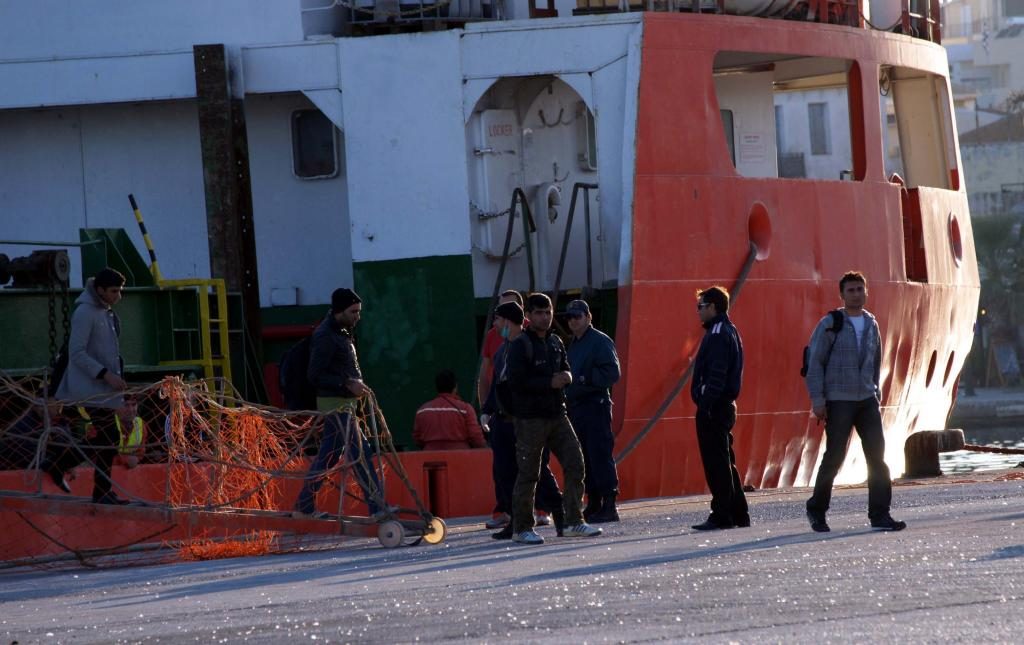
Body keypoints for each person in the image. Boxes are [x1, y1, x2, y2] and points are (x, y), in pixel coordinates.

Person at [804, 271, 906, 532]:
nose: (856, 294)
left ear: (866, 292)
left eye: (860, 289)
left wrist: (876, 394)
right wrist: (818, 400)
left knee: (878, 458)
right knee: (834, 457)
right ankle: (817, 510)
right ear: (842, 294)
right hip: (839, 400)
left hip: (866, 399)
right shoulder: (831, 323)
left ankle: (880, 514)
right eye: (851, 290)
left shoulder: (872, 323)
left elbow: (876, 361)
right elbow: (815, 363)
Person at [503, 292, 602, 545]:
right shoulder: (520, 346)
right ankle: (522, 527)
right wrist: (549, 382)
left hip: (558, 415)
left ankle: (573, 521)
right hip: (530, 419)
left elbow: (565, 366)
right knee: (529, 473)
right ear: (528, 316)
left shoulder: (556, 342)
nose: (545, 317)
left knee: (576, 463)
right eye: (539, 313)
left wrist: (567, 375)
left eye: (548, 313)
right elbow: (516, 382)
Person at [293, 287, 389, 519]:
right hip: (335, 405)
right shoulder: (326, 336)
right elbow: (314, 375)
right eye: (354, 311)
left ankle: (304, 506)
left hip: (344, 405)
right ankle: (378, 510)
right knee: (361, 454)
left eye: (359, 311)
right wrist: (347, 384)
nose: (358, 316)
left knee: (329, 456)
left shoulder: (341, 331)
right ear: (340, 311)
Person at [481, 300, 565, 540]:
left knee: (535, 471)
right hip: (503, 421)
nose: (495, 325)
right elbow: (499, 384)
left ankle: (559, 513)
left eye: (497, 320)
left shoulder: (527, 346)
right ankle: (516, 520)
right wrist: (486, 411)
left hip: (524, 421)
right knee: (505, 473)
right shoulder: (501, 351)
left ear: (508, 320)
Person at [55, 267, 132, 505]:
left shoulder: (104, 312)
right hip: (91, 387)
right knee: (107, 437)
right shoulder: (86, 313)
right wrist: (106, 375)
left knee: (108, 438)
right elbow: (76, 352)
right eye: (113, 291)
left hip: (102, 388)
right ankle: (64, 467)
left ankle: (99, 489)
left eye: (120, 290)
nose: (118, 296)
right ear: (99, 290)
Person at [689, 286, 750, 530]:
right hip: (723, 406)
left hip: (715, 407)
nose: (698, 312)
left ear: (713, 307)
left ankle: (722, 514)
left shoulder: (716, 334)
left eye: (701, 307)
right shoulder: (729, 330)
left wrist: (706, 403)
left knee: (716, 463)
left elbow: (717, 374)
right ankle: (738, 513)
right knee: (726, 462)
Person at [565, 299, 622, 523]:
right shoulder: (575, 344)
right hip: (579, 407)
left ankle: (609, 503)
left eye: (577, 316)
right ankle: (595, 501)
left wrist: (584, 379)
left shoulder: (599, 341)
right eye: (569, 317)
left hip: (595, 405)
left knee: (599, 454)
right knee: (586, 457)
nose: (572, 321)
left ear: (589, 317)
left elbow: (612, 373)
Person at [478, 289, 524, 530]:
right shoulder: (497, 343)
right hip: (501, 413)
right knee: (503, 467)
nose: (498, 318)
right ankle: (508, 511)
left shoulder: (528, 340)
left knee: (530, 465)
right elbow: (489, 379)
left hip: (524, 416)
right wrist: (485, 408)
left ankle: (546, 509)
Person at [413, 369, 487, 450]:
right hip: (461, 458)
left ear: (437, 387)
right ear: (455, 387)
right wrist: (486, 448)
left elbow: (417, 439)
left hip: (430, 458)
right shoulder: (466, 409)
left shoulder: (422, 411)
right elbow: (476, 437)